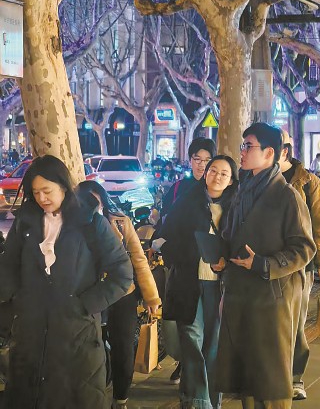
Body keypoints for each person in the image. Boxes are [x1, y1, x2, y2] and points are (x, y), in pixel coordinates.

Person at [0, 155, 133, 409]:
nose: (42, 198)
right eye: (36, 192)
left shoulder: (91, 222)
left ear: (63, 186)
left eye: (47, 190)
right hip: (30, 336)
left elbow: (122, 272)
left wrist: (85, 305)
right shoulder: (25, 222)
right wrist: (17, 302)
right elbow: (8, 268)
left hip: (77, 338)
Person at [216, 123, 316, 409]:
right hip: (240, 294)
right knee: (247, 378)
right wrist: (221, 255)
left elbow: (305, 248)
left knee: (271, 381)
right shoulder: (242, 191)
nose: (242, 152)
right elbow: (230, 234)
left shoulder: (287, 196)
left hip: (272, 298)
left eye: (248, 146)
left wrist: (263, 264)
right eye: (243, 146)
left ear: (270, 153)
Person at [158, 155, 238, 409]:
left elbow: (242, 243)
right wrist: (184, 254)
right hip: (188, 282)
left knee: (213, 346)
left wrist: (226, 261)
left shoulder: (237, 207)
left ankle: (211, 400)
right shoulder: (187, 201)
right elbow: (166, 236)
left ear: (231, 180)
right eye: (213, 170)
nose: (217, 176)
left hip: (219, 285)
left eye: (224, 173)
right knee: (192, 341)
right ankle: (198, 402)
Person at [77, 180, 161, 409]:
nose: (93, 206)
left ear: (103, 200)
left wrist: (151, 297)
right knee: (93, 348)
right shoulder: (75, 224)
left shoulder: (121, 223)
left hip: (123, 294)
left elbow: (139, 260)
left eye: (96, 201)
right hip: (92, 295)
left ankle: (120, 399)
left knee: (123, 348)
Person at [153, 136, 216, 385]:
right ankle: (185, 364)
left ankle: (201, 373)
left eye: (207, 160)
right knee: (182, 319)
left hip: (211, 268)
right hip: (181, 264)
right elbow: (165, 223)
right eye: (197, 159)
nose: (201, 165)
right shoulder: (179, 188)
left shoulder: (218, 189)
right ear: (190, 161)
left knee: (207, 323)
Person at [278, 135, 320, 401]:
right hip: (266, 262)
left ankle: (295, 377)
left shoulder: (309, 182)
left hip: (300, 265)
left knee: (296, 323)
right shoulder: (256, 178)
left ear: (283, 151)